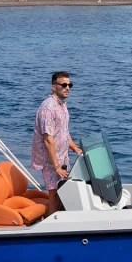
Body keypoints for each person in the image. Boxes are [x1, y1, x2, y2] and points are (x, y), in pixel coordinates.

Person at [31, 71, 82, 215]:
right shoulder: (48, 108)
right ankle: (51, 226)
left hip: (63, 156)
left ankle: (62, 219)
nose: (67, 88)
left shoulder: (62, 106)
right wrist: (57, 166)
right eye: (64, 85)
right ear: (54, 87)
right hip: (50, 160)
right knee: (54, 192)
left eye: (69, 85)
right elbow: (48, 139)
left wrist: (75, 149)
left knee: (63, 190)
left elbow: (64, 131)